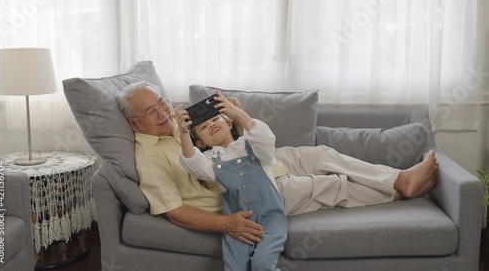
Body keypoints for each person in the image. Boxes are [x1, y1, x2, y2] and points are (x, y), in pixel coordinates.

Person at [116, 81, 438, 245]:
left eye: (162, 103)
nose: (163, 113)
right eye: (151, 112)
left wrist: (236, 122)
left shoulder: (177, 124)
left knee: (321, 153)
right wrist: (227, 224)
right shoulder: (149, 156)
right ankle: (397, 192)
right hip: (245, 190)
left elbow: (221, 144)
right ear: (134, 123)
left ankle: (398, 177)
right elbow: (174, 211)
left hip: (259, 163)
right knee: (332, 185)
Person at [174, 91, 287, 271]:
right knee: (234, 266)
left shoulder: (251, 144)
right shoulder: (211, 161)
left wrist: (238, 114)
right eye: (203, 127)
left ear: (228, 123)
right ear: (201, 144)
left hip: (271, 218)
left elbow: (266, 139)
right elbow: (193, 163)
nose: (211, 125)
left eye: (214, 120)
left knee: (262, 264)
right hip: (239, 223)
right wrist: (183, 133)